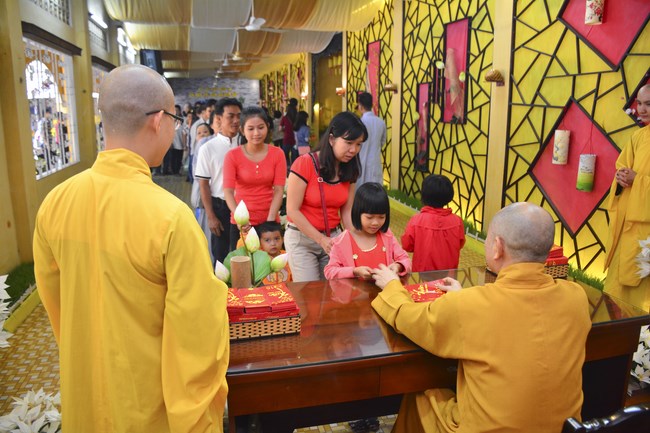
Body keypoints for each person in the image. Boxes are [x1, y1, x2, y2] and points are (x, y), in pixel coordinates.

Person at [32, 64, 230, 432]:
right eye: (174, 120)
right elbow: (196, 343)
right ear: (158, 120)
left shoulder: (55, 203)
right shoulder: (170, 217)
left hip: (84, 402)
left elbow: (59, 311)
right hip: (148, 411)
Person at [371, 202, 591, 433]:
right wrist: (464, 298)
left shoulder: (471, 305)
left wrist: (392, 285)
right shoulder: (576, 298)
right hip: (566, 428)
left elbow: (409, 318)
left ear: (497, 247)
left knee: (421, 393)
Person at [285, 111, 367, 282]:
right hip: (302, 240)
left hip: (333, 241)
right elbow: (292, 210)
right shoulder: (304, 163)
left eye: (358, 144)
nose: (354, 150)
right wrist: (320, 239)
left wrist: (357, 239)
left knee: (335, 290)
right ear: (331, 139)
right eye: (349, 143)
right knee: (310, 292)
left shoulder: (350, 169)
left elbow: (347, 211)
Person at [604, 83, 650, 312]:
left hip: (646, 230)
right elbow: (622, 166)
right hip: (630, 227)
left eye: (648, 104)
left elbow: (636, 177)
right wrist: (621, 178)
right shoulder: (638, 136)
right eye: (639, 103)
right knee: (617, 291)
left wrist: (638, 180)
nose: (642, 109)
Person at [223, 106, 286, 250]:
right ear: (242, 130)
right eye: (250, 129)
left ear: (267, 127)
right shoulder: (232, 156)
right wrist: (240, 219)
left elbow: (278, 190)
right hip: (242, 224)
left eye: (261, 127)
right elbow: (228, 191)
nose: (256, 133)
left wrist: (270, 221)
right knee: (243, 262)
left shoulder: (277, 154)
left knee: (271, 263)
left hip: (270, 222)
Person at [324, 182, 411, 280]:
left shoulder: (387, 235)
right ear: (357, 212)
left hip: (385, 289)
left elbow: (405, 259)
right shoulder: (342, 241)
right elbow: (329, 271)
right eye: (369, 217)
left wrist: (398, 266)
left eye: (381, 217)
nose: (375, 223)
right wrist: (354, 271)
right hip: (354, 290)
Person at [195, 97, 242, 264]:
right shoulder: (207, 148)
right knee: (221, 257)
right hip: (220, 207)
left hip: (245, 205)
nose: (236, 120)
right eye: (231, 116)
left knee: (245, 254)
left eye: (239, 116)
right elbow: (203, 185)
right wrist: (211, 216)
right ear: (219, 118)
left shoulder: (246, 143)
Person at [401, 174, 466, 272]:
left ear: (424, 195)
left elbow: (407, 245)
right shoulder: (457, 221)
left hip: (421, 276)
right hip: (449, 276)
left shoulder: (416, 220)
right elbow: (459, 244)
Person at [356, 92, 386, 186]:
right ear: (372, 105)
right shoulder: (381, 122)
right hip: (375, 163)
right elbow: (382, 142)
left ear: (360, 106)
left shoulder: (359, 123)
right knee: (374, 190)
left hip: (360, 162)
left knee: (360, 191)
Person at [281, 101, 298, 166]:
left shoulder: (284, 118)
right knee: (294, 156)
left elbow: (280, 129)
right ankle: (294, 168)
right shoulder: (297, 117)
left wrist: (285, 129)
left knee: (285, 155)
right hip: (295, 140)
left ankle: (287, 166)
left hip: (287, 138)